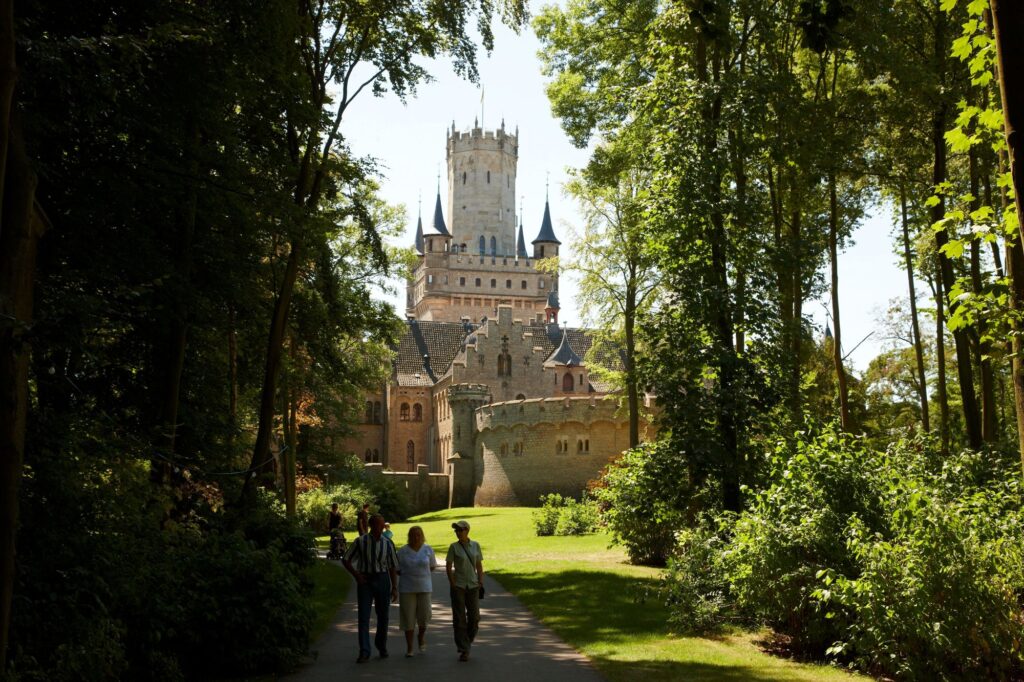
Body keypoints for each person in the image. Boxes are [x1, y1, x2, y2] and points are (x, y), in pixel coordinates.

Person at [343, 514, 399, 663]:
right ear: (372, 526)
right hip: (365, 580)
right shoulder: (361, 541)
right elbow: (346, 559)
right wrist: (356, 576)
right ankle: (364, 651)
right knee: (363, 617)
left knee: (383, 616)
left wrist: (394, 587)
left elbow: (392, 566)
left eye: (382, 526)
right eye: (378, 525)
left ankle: (381, 646)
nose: (381, 528)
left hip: (382, 579)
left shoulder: (388, 543)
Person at [446, 519, 484, 662]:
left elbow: (479, 566)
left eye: (460, 530)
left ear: (467, 530)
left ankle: (466, 642)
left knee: (474, 618)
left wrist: (481, 581)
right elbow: (448, 567)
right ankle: (464, 649)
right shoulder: (453, 547)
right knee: (459, 619)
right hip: (459, 586)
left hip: (473, 586)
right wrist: (452, 583)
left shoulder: (476, 546)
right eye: (456, 530)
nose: (458, 532)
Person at [396, 525, 437, 657]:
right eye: (413, 534)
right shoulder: (402, 551)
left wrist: (421, 575)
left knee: (424, 616)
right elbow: (396, 570)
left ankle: (421, 636)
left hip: (424, 587)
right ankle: (409, 647)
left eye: (419, 534)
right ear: (409, 536)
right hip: (407, 588)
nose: (416, 537)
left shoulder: (428, 549)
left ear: (422, 535)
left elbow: (432, 567)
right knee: (408, 618)